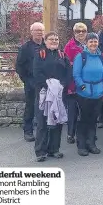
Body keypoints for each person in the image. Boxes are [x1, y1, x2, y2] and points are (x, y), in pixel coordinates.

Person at [32, 31, 71, 162]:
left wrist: (62, 85)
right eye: (51, 39)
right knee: (43, 122)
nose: (54, 41)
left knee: (57, 120)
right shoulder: (40, 55)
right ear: (45, 41)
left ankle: (54, 149)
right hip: (44, 93)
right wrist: (49, 86)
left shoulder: (62, 55)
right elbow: (36, 73)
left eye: (56, 39)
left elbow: (68, 72)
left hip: (59, 94)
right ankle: (40, 151)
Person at [73, 33, 103, 156]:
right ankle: (81, 145)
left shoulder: (101, 57)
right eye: (91, 41)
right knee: (83, 120)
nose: (93, 44)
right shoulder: (81, 56)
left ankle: (91, 144)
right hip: (84, 94)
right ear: (86, 43)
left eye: (95, 41)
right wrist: (82, 86)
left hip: (98, 93)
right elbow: (76, 74)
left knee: (93, 120)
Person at [16, 22, 45, 142]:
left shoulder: (47, 45)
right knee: (30, 107)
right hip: (31, 82)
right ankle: (28, 131)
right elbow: (19, 66)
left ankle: (43, 130)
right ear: (31, 32)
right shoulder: (25, 48)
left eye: (41, 30)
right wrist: (27, 81)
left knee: (44, 106)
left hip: (45, 82)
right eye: (37, 30)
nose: (39, 32)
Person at [63, 22, 87, 144]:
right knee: (72, 111)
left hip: (86, 84)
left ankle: (84, 133)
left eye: (83, 31)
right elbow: (66, 65)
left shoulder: (89, 44)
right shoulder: (69, 46)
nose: (81, 33)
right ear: (74, 32)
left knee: (85, 110)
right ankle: (70, 134)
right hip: (73, 84)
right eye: (78, 31)